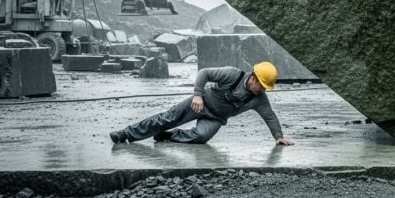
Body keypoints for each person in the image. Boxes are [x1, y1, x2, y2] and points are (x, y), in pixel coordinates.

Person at [109, 61, 295, 146]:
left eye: (265, 87)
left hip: (216, 118)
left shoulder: (259, 98)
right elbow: (204, 73)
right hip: (200, 103)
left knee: (201, 137)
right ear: (253, 78)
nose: (262, 90)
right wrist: (198, 95)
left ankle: (168, 136)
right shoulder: (233, 74)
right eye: (261, 85)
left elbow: (269, 116)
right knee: (165, 119)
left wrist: (278, 136)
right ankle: (125, 133)